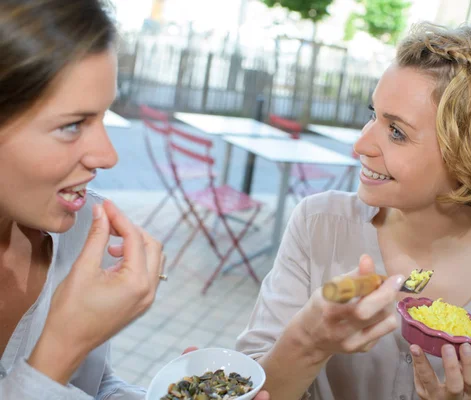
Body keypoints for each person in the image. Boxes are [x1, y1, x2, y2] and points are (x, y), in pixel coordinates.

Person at [236, 22, 471, 400]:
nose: (360, 145)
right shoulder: (318, 226)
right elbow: (245, 386)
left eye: (396, 132)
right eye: (372, 114)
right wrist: (309, 340)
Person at [0, 1, 273, 399]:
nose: (109, 156)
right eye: (72, 125)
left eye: (103, 116)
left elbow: (88, 386)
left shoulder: (78, 231)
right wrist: (62, 347)